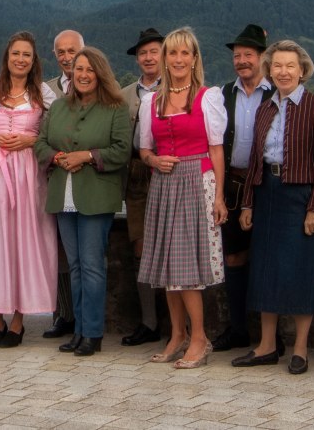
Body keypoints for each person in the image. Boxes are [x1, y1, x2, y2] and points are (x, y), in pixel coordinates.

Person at [234, 40, 314, 374]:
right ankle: (265, 346)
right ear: (269, 70)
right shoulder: (265, 108)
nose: (283, 71)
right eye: (277, 65)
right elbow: (254, 160)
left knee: (301, 271)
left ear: (302, 70)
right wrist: (248, 202)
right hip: (267, 193)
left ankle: (300, 348)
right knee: (264, 269)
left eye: (290, 65)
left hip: (300, 195)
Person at [137, 27, 228, 370]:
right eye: (172, 54)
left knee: (188, 267)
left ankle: (200, 338)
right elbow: (144, 149)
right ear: (165, 59)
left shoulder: (207, 97)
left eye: (184, 53)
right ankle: (177, 335)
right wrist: (154, 160)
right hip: (164, 183)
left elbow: (216, 149)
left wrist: (219, 197)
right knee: (166, 266)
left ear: (194, 59)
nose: (177, 60)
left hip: (197, 180)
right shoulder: (152, 101)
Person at [36, 47, 132, 356]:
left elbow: (121, 150)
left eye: (90, 69)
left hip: (96, 196)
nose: (84, 75)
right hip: (63, 194)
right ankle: (77, 330)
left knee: (92, 267)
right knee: (75, 267)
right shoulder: (60, 108)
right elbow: (40, 143)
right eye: (79, 69)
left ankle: (93, 332)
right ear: (71, 74)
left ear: (100, 73)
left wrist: (88, 156)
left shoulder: (115, 108)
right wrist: (58, 157)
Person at [0, 31, 59, 348]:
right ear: (7, 58)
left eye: (26, 54)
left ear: (33, 60)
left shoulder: (43, 94)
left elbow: (55, 136)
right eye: (15, 54)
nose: (20, 59)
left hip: (30, 172)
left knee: (26, 241)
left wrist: (32, 140)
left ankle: (18, 319)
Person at [214, 24, 270, 354]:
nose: (242, 61)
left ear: (262, 57)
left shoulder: (276, 91)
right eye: (237, 56)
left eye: (248, 55)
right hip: (234, 182)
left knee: (265, 257)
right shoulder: (223, 94)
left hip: (267, 184)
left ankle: (269, 334)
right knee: (233, 256)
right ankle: (237, 328)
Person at [119, 28, 164, 347]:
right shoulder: (123, 95)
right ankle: (149, 322)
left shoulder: (183, 90)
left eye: (154, 52)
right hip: (136, 172)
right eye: (143, 53)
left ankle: (178, 324)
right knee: (139, 244)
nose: (148, 58)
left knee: (174, 246)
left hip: (169, 169)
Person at [41, 28, 84, 339]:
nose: (67, 57)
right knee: (56, 249)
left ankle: (85, 317)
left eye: (73, 51)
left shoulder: (93, 84)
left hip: (88, 177)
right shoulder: (47, 90)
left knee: (86, 254)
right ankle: (62, 314)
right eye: (61, 52)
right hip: (54, 176)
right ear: (54, 55)